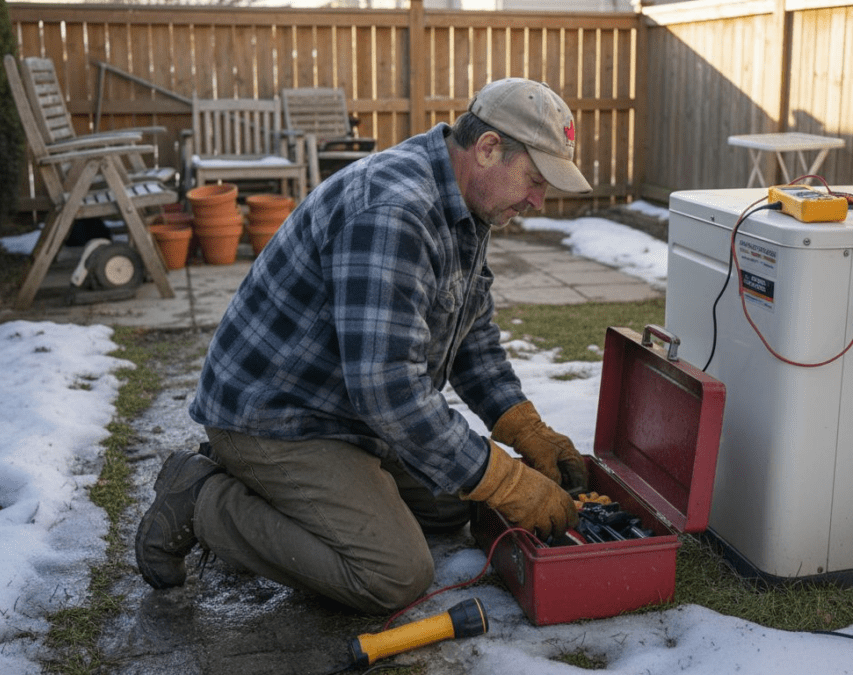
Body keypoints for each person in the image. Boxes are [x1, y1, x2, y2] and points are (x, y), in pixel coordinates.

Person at [135, 78, 591, 613]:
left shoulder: (467, 202)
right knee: (393, 573)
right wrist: (508, 480)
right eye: (534, 179)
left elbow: (471, 338)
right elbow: (389, 390)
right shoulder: (395, 210)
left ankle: (292, 494)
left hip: (344, 411)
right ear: (489, 148)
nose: (537, 200)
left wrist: (524, 428)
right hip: (276, 418)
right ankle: (202, 499)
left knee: (451, 505)